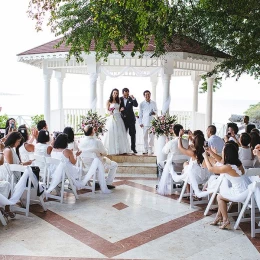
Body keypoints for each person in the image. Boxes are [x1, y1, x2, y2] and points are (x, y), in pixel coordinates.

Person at [203, 142, 249, 229]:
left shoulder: (228, 167)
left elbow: (211, 169)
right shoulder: (238, 163)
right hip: (245, 190)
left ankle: (225, 220)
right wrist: (211, 152)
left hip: (239, 193)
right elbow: (222, 161)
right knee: (223, 194)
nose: (222, 151)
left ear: (227, 153)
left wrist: (206, 157)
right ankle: (219, 217)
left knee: (220, 197)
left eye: (223, 150)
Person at [104, 88, 131, 155]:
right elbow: (107, 110)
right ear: (112, 93)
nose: (115, 94)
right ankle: (112, 149)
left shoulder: (119, 100)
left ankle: (121, 149)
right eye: (114, 93)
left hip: (118, 117)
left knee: (120, 132)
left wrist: (120, 110)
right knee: (112, 132)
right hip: (112, 117)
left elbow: (118, 110)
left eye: (116, 93)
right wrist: (110, 112)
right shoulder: (108, 101)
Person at [119, 88, 138, 154]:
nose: (126, 96)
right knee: (123, 134)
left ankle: (133, 148)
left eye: (127, 94)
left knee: (132, 134)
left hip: (131, 120)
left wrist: (134, 98)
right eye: (125, 94)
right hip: (123, 120)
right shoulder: (120, 99)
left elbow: (136, 105)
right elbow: (116, 107)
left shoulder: (131, 99)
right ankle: (123, 148)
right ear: (123, 93)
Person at [139, 90, 157, 154]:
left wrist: (154, 112)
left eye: (148, 94)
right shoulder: (142, 104)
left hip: (152, 122)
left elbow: (156, 111)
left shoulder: (154, 103)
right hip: (145, 123)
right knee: (145, 137)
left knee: (151, 137)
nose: (147, 96)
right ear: (144, 96)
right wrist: (140, 122)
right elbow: (140, 114)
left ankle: (150, 149)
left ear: (150, 95)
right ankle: (145, 149)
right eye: (146, 95)